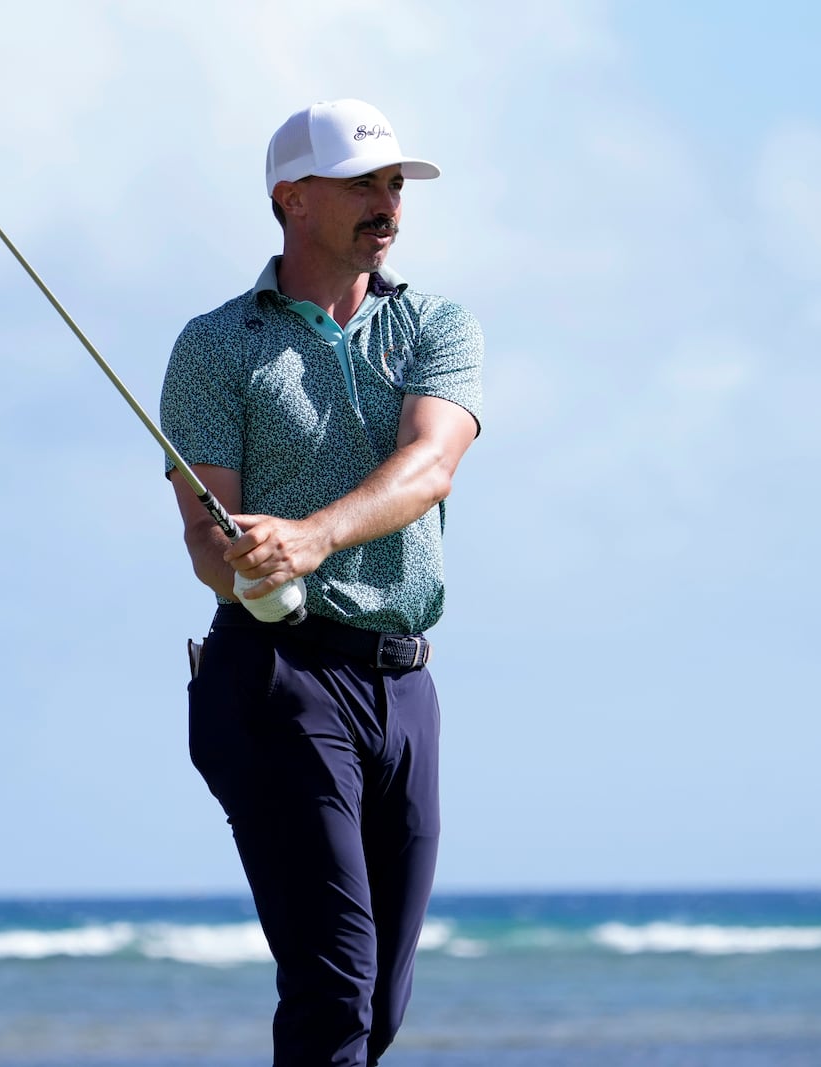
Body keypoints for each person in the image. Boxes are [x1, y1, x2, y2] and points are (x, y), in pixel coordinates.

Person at [159, 98, 483, 1066]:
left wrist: (310, 536)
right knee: (334, 981)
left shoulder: (433, 321)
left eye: (393, 184)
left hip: (403, 682)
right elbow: (204, 536)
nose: (387, 203)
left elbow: (432, 463)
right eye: (362, 184)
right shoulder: (216, 345)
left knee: (378, 996)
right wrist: (244, 559)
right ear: (291, 197)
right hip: (276, 679)